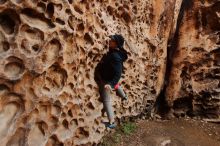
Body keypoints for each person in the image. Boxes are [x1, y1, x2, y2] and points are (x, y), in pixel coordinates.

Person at [96, 34, 128, 129]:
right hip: (109, 77)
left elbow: (118, 73)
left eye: (112, 41)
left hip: (107, 81)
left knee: (106, 100)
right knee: (116, 85)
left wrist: (110, 84)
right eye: (111, 39)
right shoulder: (115, 52)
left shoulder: (115, 56)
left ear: (116, 44)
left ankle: (112, 122)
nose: (110, 41)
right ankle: (124, 96)